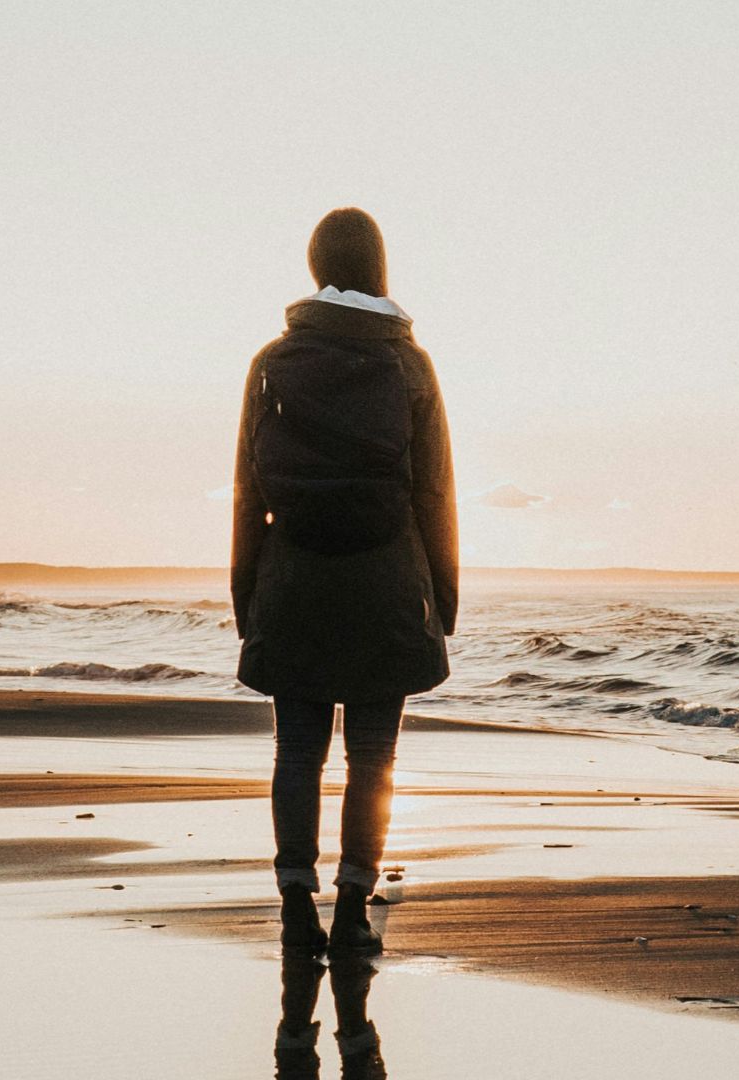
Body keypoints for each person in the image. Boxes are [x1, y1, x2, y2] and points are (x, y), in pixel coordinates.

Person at [231, 206, 458, 957]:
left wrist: (247, 595)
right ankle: (354, 907)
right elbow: (435, 494)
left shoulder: (272, 362)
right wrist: (442, 599)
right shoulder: (410, 363)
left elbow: (247, 492)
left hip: (292, 580)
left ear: (314, 267)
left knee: (297, 750)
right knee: (373, 753)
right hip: (387, 581)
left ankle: (297, 906)